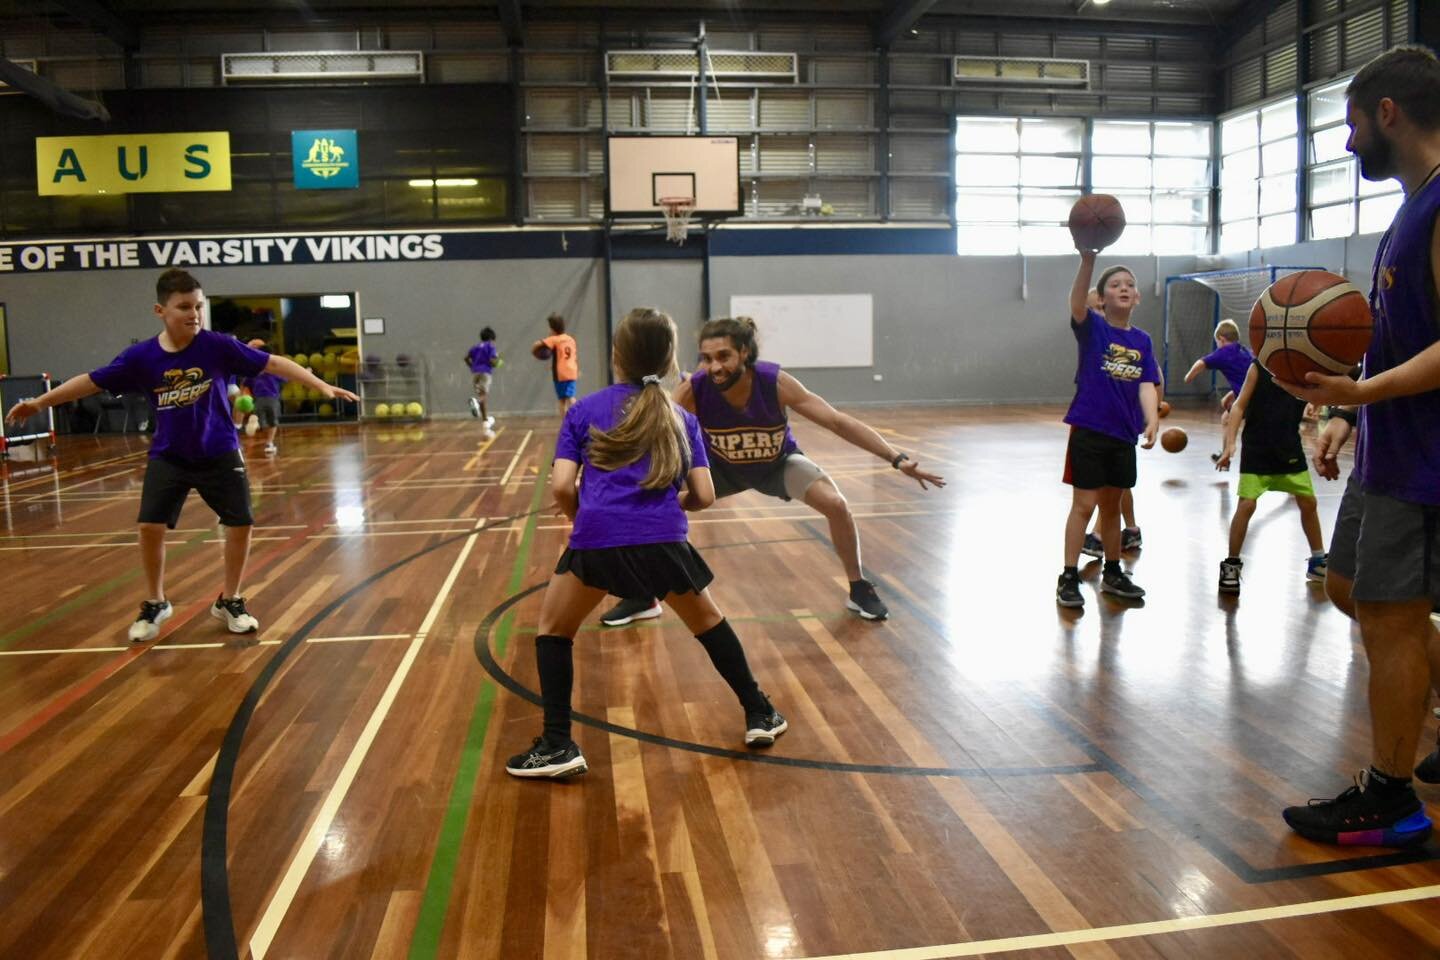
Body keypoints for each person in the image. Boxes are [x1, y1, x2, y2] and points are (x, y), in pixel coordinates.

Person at [3, 268, 358, 643]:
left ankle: (231, 600)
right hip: (169, 455)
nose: (194, 314)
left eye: (199, 306)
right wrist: (41, 401)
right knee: (149, 527)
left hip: (219, 451)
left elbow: (271, 363)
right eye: (184, 306)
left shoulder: (217, 345)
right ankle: (155, 602)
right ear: (161, 310)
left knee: (240, 523)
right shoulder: (141, 357)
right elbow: (91, 380)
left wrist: (319, 384)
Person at [506, 307, 786, 778]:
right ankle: (760, 712)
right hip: (664, 542)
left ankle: (558, 743)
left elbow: (560, 487)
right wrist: (666, 502)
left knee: (554, 630)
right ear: (671, 357)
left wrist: (586, 520)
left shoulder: (583, 411)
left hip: (595, 542)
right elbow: (704, 495)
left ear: (616, 356)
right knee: (710, 625)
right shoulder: (681, 418)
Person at [1277, 45, 1440, 848]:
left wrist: (1365, 395)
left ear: (1388, 114)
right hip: (1391, 442)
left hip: (1428, 458)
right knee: (1348, 588)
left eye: (1350, 126)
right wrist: (1354, 413)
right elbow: (1405, 336)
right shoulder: (1408, 211)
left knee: (1391, 613)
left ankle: (1392, 797)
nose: (1347, 146)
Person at [597, 316, 944, 628]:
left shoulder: (775, 383)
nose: (713, 366)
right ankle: (644, 595)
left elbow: (837, 422)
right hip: (720, 468)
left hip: (777, 465)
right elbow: (652, 436)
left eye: (723, 356)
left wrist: (896, 458)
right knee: (650, 501)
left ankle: (858, 587)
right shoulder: (693, 390)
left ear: (744, 353)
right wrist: (600, 479)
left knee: (836, 504)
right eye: (706, 358)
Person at [1056, 251, 1160, 609]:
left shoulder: (1143, 340)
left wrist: (1153, 418)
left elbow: (1146, 383)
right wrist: (1087, 262)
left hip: (1122, 434)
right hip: (1089, 428)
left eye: (1130, 284)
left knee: (1112, 508)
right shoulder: (1093, 328)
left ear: (1138, 296)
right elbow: (1076, 300)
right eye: (1115, 285)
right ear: (1101, 298)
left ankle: (1113, 571)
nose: (1124, 288)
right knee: (1084, 506)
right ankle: (1068, 575)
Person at [1212, 360, 1327, 593]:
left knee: (1308, 502)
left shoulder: (1303, 367)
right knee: (1246, 505)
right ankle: (1231, 564)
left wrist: (1317, 401)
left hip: (1289, 448)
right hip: (1257, 449)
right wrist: (1230, 444)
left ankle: (1318, 561)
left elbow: (1322, 392)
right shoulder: (1259, 367)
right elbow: (1239, 406)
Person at [1183, 318, 1253, 426]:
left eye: (1217, 342)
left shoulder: (1223, 353)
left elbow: (1201, 363)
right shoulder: (1245, 351)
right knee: (1227, 417)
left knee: (1227, 420)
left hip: (1248, 400)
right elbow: (1244, 379)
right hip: (1259, 394)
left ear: (1221, 339)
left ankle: (1230, 443)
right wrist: (1231, 395)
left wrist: (1189, 377)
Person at [533, 313, 579, 417]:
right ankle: (579, 417)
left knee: (562, 400)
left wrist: (534, 352)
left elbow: (537, 344)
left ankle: (565, 423)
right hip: (572, 371)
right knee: (571, 396)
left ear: (553, 329)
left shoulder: (554, 339)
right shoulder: (571, 339)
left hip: (560, 374)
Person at [245, 338, 283, 456]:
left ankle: (255, 420)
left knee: (262, 421)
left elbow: (246, 384)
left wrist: (244, 395)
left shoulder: (254, 370)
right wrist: (306, 372)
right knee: (273, 422)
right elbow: (289, 377)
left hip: (258, 399)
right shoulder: (275, 370)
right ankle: (269, 443)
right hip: (272, 398)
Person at [464, 326, 500, 434]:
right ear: (491, 338)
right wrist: (498, 362)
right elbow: (493, 361)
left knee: (481, 395)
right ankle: (476, 403)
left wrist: (472, 367)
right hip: (485, 373)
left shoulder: (475, 347)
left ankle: (485, 421)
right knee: (483, 396)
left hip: (475, 373)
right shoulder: (490, 347)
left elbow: (466, 358)